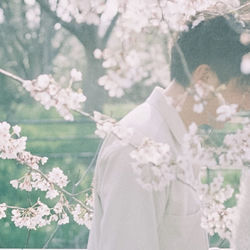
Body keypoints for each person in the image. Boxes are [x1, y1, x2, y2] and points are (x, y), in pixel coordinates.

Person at [87, 15, 250, 250]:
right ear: (204, 78)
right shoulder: (139, 150)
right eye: (242, 89)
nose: (247, 104)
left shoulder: (180, 139)